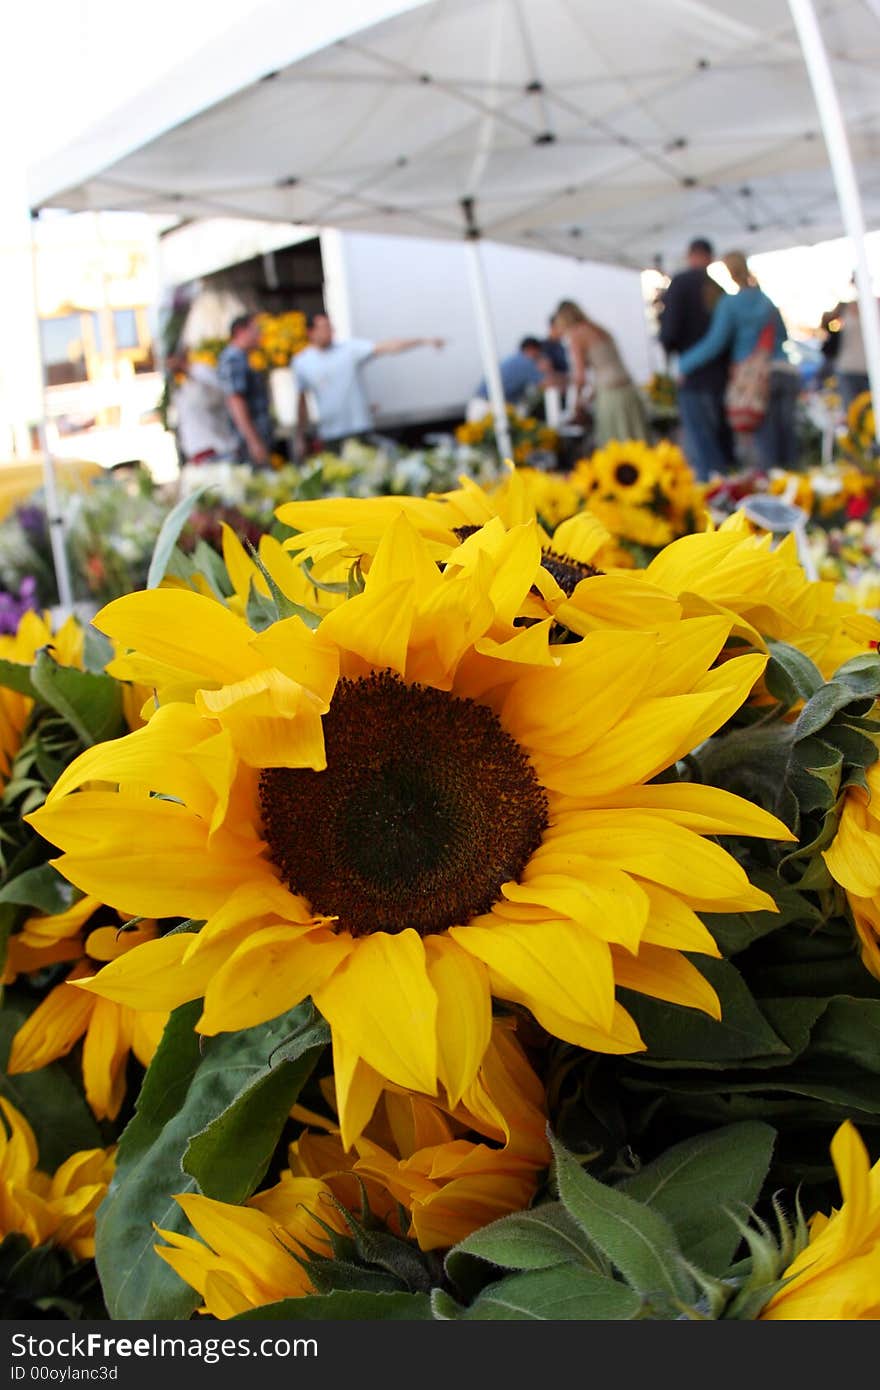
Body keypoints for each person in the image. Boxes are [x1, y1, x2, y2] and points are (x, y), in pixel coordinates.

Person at [678, 251, 796, 469]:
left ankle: (774, 496)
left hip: (755, 379)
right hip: (785, 371)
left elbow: (715, 343)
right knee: (789, 443)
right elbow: (784, 336)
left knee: (765, 448)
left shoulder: (730, 304)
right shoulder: (766, 300)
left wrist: (684, 364)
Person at [294, 313, 445, 454]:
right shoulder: (302, 362)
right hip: (330, 433)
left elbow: (388, 346)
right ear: (311, 332)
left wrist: (423, 341)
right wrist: (300, 435)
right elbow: (302, 402)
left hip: (358, 428)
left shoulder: (348, 350)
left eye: (330, 326)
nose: (330, 331)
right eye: (324, 327)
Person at [659, 236, 734, 481]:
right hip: (719, 377)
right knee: (718, 436)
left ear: (691, 255)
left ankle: (714, 496)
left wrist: (675, 364)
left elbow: (669, 331)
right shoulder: (719, 289)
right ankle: (726, 488)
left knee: (701, 443)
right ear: (710, 258)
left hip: (692, 375)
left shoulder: (681, 283)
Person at [550, 300, 651, 445]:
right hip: (627, 388)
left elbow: (580, 377)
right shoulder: (598, 329)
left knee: (616, 444)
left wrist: (577, 405)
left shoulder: (576, 335)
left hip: (611, 394)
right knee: (637, 440)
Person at [217, 314, 273, 468]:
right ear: (240, 331)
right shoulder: (234, 359)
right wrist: (253, 441)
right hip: (248, 441)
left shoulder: (240, 357)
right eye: (255, 330)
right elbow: (236, 401)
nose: (259, 335)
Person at [169, 353, 238, 464]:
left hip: (215, 447)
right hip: (198, 450)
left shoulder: (200, 371)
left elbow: (220, 392)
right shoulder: (185, 385)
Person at [473, 337, 552, 406]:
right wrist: (547, 370)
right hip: (489, 405)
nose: (539, 356)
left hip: (484, 403)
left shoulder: (516, 358)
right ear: (531, 349)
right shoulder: (525, 362)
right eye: (539, 353)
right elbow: (546, 384)